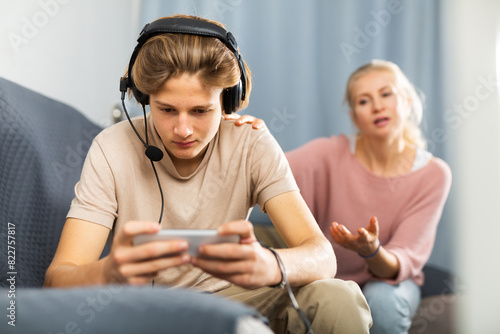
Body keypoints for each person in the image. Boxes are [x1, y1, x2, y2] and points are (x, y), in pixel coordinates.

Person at [44, 15, 372, 333]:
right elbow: (57, 280)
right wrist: (109, 272)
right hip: (146, 308)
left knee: (337, 297)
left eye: (201, 111)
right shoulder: (112, 147)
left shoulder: (251, 141)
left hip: (236, 298)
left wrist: (270, 264)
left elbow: (322, 256)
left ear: (228, 100)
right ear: (144, 99)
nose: (183, 129)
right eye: (167, 109)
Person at [230, 59, 452, 333]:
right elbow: (263, 171)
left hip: (389, 278)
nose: (377, 106)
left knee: (382, 301)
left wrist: (370, 250)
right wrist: (243, 134)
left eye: (386, 94)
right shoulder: (327, 153)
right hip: (326, 274)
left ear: (406, 101)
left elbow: (398, 265)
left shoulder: (434, 174)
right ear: (354, 116)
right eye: (363, 101)